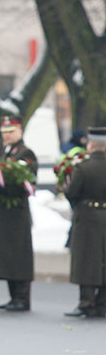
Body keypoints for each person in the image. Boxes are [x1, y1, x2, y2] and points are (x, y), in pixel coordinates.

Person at [0, 115, 38, 312]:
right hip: (4, 214)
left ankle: (22, 297)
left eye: (11, 132)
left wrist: (3, 189)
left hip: (16, 213)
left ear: (20, 131)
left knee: (19, 255)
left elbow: (27, 182)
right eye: (4, 132)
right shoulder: (6, 151)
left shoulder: (26, 153)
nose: (7, 136)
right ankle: (14, 296)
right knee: (8, 254)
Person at [64, 127, 106, 318]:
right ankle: (103, 302)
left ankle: (86, 301)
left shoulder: (83, 168)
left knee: (87, 260)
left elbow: (72, 193)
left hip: (88, 218)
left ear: (90, 146)